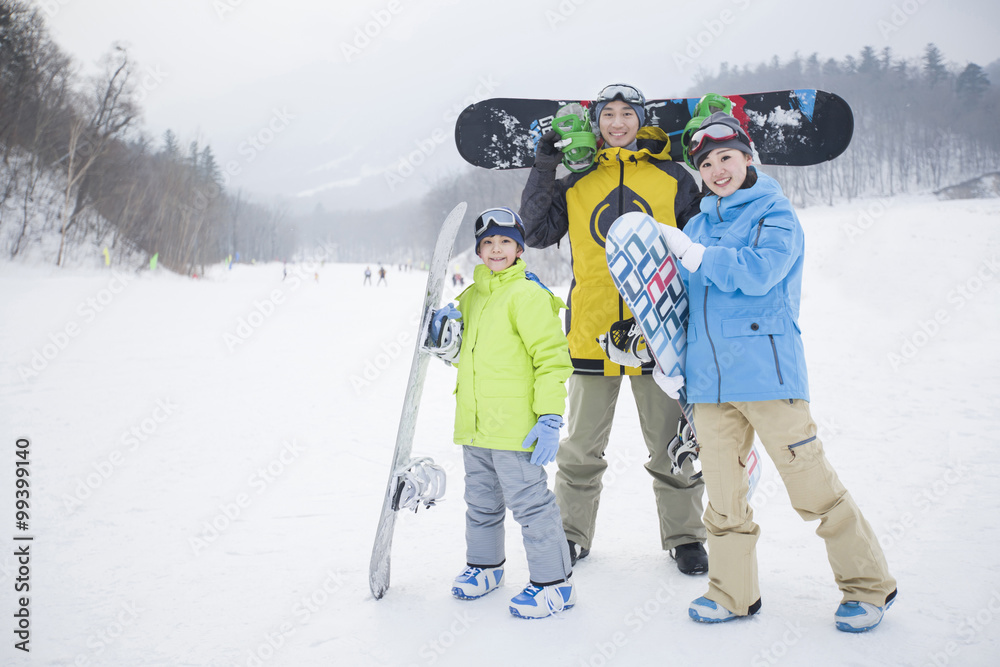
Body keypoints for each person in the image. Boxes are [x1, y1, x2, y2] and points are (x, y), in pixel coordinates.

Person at [655, 111, 897, 631]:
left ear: (747, 159)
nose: (718, 170)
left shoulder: (774, 214)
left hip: (769, 377)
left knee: (814, 491)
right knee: (722, 500)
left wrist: (697, 256)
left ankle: (869, 587)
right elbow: (681, 301)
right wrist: (662, 353)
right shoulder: (695, 224)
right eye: (707, 163)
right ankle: (732, 593)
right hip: (710, 387)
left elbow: (760, 274)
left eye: (726, 158)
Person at [519, 83, 708, 574]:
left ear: (641, 119)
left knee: (671, 446)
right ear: (597, 123)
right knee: (580, 450)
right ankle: (571, 534)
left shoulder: (673, 177)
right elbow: (536, 232)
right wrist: (545, 164)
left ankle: (686, 537)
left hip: (659, 333)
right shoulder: (577, 182)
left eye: (628, 114)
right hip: (591, 334)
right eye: (609, 115)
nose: (618, 123)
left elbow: (705, 241)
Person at [424, 207, 576, 619]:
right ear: (478, 250)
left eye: (505, 242)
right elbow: (469, 358)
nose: (496, 249)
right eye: (488, 243)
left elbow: (551, 360)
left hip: (516, 430)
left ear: (519, 248)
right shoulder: (471, 296)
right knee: (481, 503)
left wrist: (549, 418)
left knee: (530, 505)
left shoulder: (526, 295)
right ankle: (486, 567)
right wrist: (446, 341)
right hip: (475, 427)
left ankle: (554, 584)